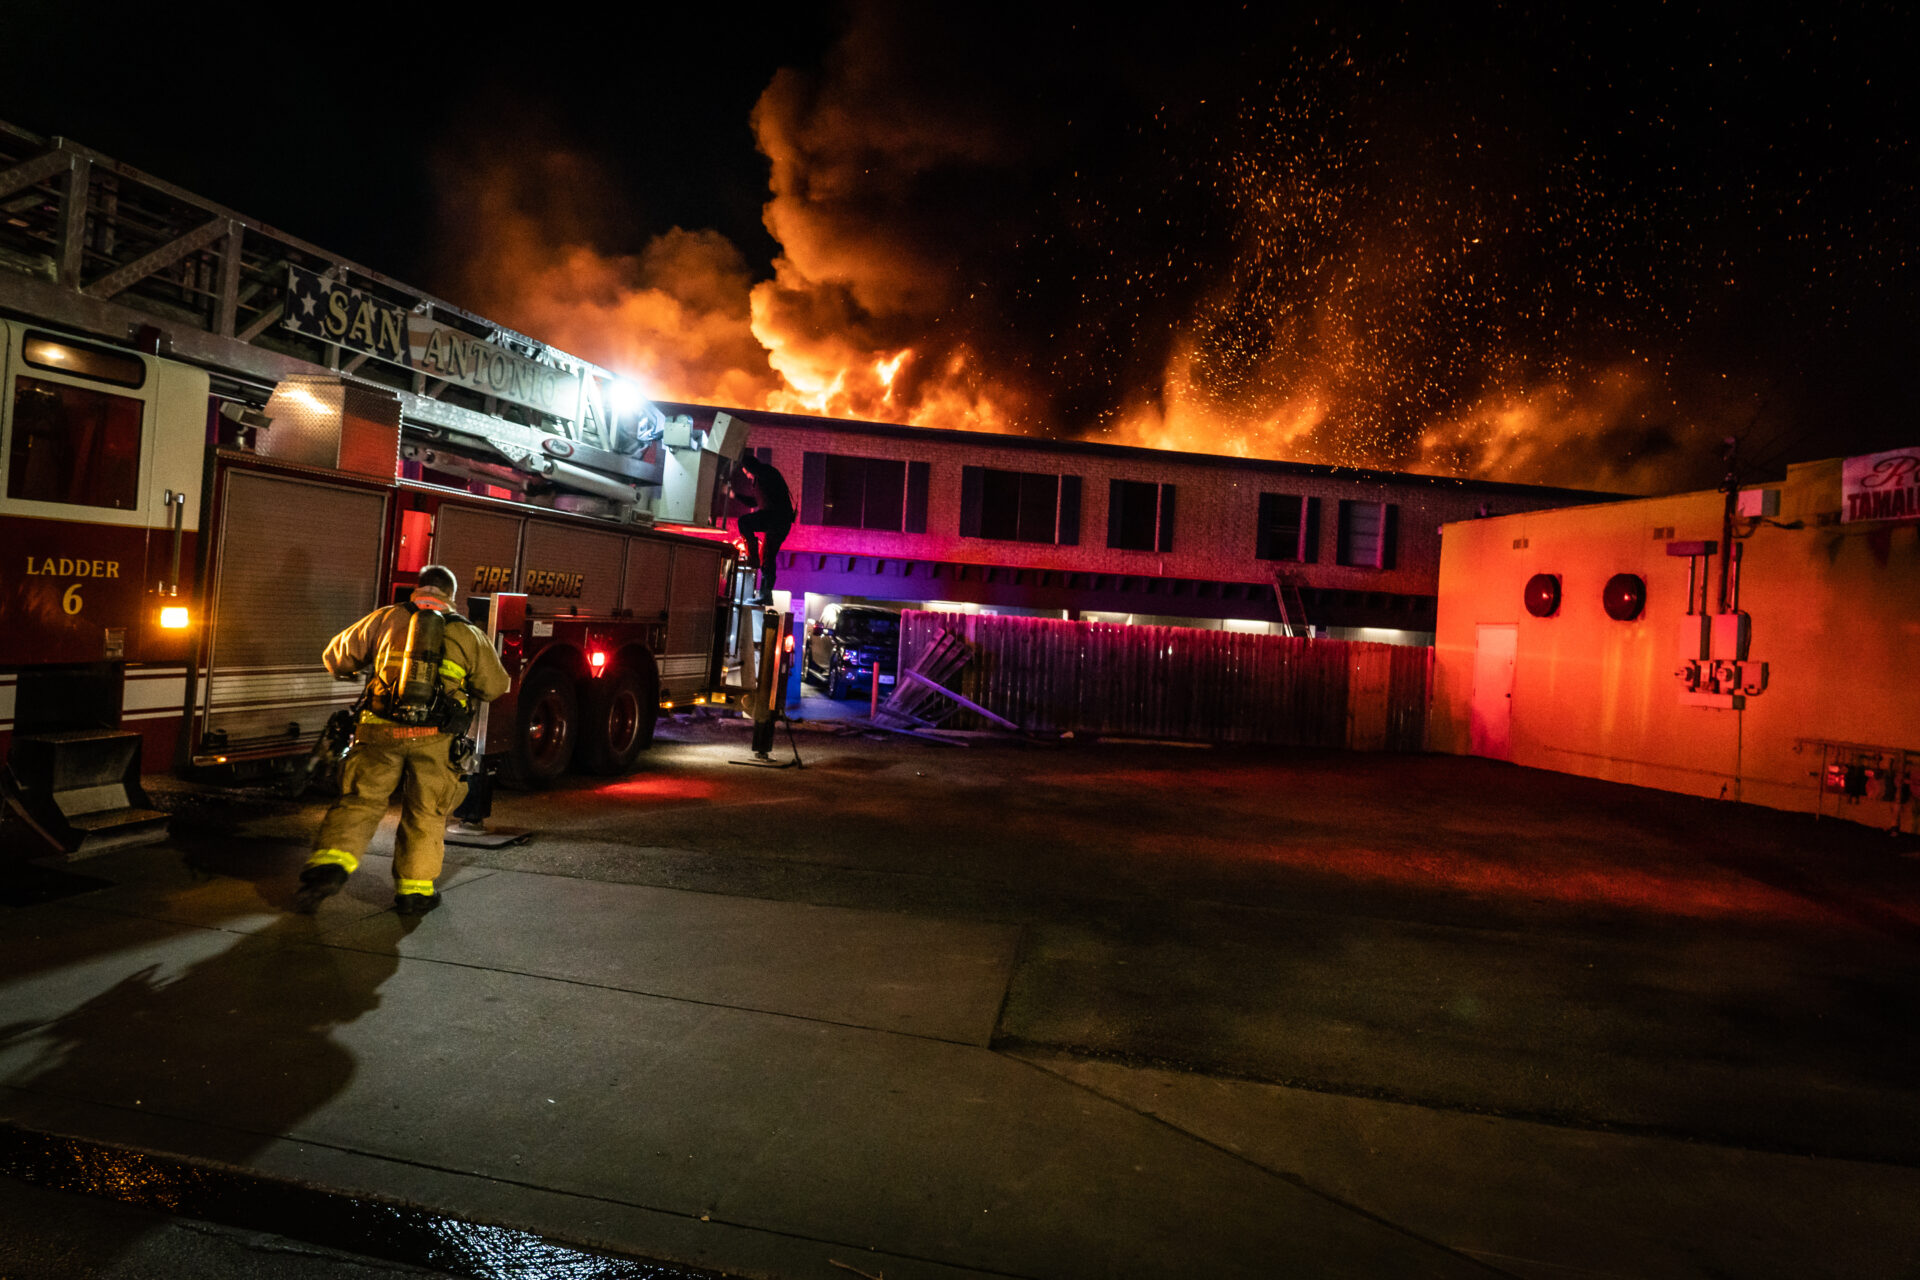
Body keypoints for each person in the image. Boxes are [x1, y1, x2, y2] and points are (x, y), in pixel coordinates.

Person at [294, 565, 510, 916]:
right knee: (427, 811)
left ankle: (328, 866)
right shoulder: (467, 632)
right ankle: (415, 892)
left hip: (379, 731)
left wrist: (357, 670)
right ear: (450, 595)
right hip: (436, 739)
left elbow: (335, 657)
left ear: (418, 589)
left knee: (360, 800)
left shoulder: (385, 618)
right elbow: (495, 686)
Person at [733, 453, 795, 605]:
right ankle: (765, 594)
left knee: (745, 523)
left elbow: (763, 498)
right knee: (767, 557)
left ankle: (753, 558)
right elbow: (754, 502)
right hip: (777, 519)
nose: (747, 477)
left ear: (750, 469)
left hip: (776, 518)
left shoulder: (765, 474)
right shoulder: (764, 476)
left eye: (747, 473)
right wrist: (735, 495)